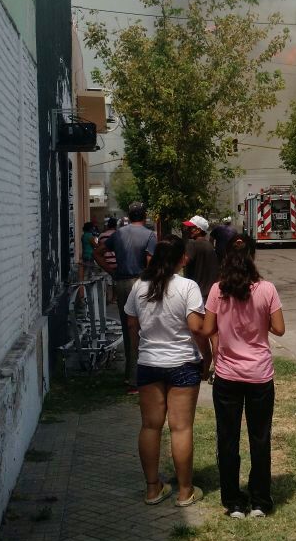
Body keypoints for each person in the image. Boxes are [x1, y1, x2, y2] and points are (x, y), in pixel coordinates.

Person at [203, 234, 285, 519]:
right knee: (259, 438)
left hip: (227, 376)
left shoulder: (217, 290)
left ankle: (234, 502)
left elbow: (206, 328)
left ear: (226, 257)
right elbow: (279, 329)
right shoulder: (267, 289)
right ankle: (261, 501)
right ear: (253, 255)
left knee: (228, 438)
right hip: (260, 376)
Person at [124, 238, 208, 507]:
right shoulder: (188, 287)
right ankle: (185, 491)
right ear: (180, 259)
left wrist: (139, 353)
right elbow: (196, 327)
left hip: (149, 363)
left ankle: (152, 489)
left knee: (150, 426)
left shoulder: (139, 286)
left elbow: (131, 323)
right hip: (183, 363)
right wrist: (207, 358)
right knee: (181, 428)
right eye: (185, 256)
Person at [94, 201, 157, 392]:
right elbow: (150, 263)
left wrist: (112, 272)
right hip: (141, 283)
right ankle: (142, 375)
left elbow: (98, 253)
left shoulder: (118, 234)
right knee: (144, 327)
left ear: (128, 216)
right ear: (144, 216)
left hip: (121, 283)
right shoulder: (150, 235)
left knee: (127, 327)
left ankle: (130, 377)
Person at [183, 215, 219, 302]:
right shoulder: (209, 246)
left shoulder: (192, 244)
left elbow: (183, 262)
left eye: (190, 228)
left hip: (195, 294)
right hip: (209, 295)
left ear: (198, 230)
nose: (187, 230)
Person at [96, 216, 117, 303]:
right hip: (116, 261)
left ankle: (107, 298)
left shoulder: (101, 236)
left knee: (106, 281)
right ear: (115, 225)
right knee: (115, 281)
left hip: (105, 262)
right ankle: (114, 298)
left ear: (108, 225)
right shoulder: (118, 234)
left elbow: (99, 248)